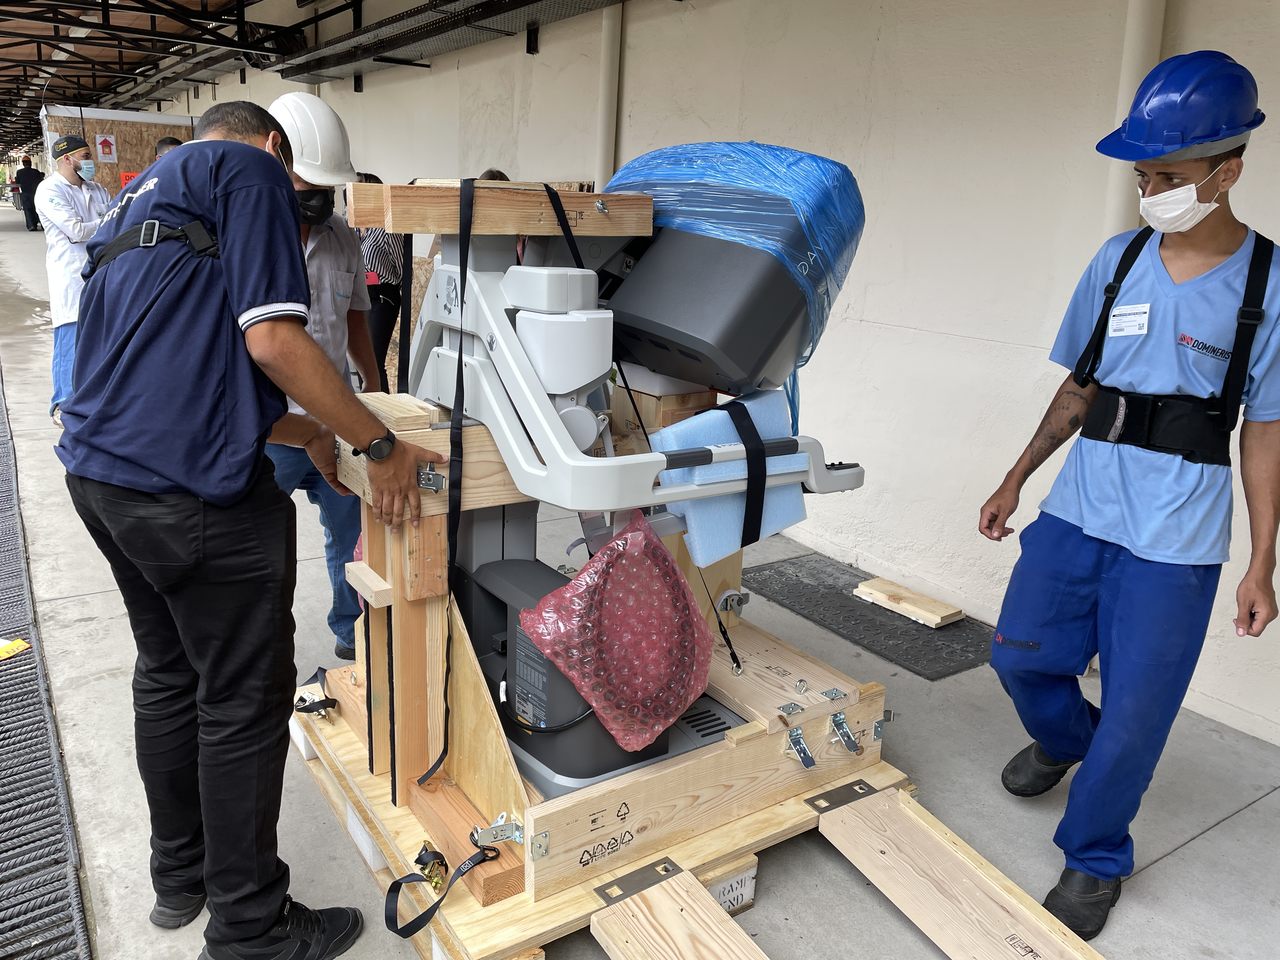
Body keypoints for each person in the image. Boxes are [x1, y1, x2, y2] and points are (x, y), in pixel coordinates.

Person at [58, 100, 436, 960]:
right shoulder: (249, 169)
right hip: (188, 499)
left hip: (100, 479)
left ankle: (179, 877)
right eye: (303, 185)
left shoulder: (139, 197)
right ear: (274, 147)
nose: (300, 203)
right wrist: (378, 444)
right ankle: (251, 930)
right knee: (241, 701)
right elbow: (272, 341)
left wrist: (312, 431)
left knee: (167, 675)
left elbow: (177, 370)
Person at [978, 51, 1280, 941]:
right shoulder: (1118, 261)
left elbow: (1265, 431)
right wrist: (1016, 477)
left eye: (1169, 176)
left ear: (1228, 172)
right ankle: (1066, 739)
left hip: (1177, 537)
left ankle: (1096, 853)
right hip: (1080, 507)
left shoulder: (1269, 286)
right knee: (1019, 656)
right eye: (1143, 175)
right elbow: (1079, 385)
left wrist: (1262, 561)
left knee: (1139, 712)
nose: (1151, 190)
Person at [267, 91, 380, 662]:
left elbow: (355, 318)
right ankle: (264, 648)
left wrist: (375, 390)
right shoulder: (251, 239)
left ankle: (350, 631)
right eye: (307, 187)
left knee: (352, 535)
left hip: (335, 419)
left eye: (327, 189)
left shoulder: (342, 236)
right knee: (261, 546)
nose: (318, 199)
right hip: (273, 427)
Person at [34, 135, 109, 423]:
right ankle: (62, 403)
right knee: (70, 337)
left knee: (98, 337)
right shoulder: (50, 190)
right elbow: (76, 231)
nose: (91, 161)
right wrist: (106, 223)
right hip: (70, 274)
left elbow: (118, 219)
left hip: (100, 270)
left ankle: (93, 399)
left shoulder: (97, 189)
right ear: (67, 158)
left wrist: (105, 224)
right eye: (86, 156)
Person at [353, 172, 405, 392]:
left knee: (374, 359)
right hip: (360, 295)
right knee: (361, 361)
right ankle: (367, 407)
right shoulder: (355, 229)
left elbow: (402, 267)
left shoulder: (386, 228)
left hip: (383, 297)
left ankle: (381, 410)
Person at [14, 154, 44, 231]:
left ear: (23, 163)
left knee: (28, 210)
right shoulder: (36, 171)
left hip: (25, 194)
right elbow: (41, 180)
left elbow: (17, 182)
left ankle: (31, 226)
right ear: (30, 163)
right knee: (38, 209)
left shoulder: (19, 172)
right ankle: (43, 224)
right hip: (36, 194)